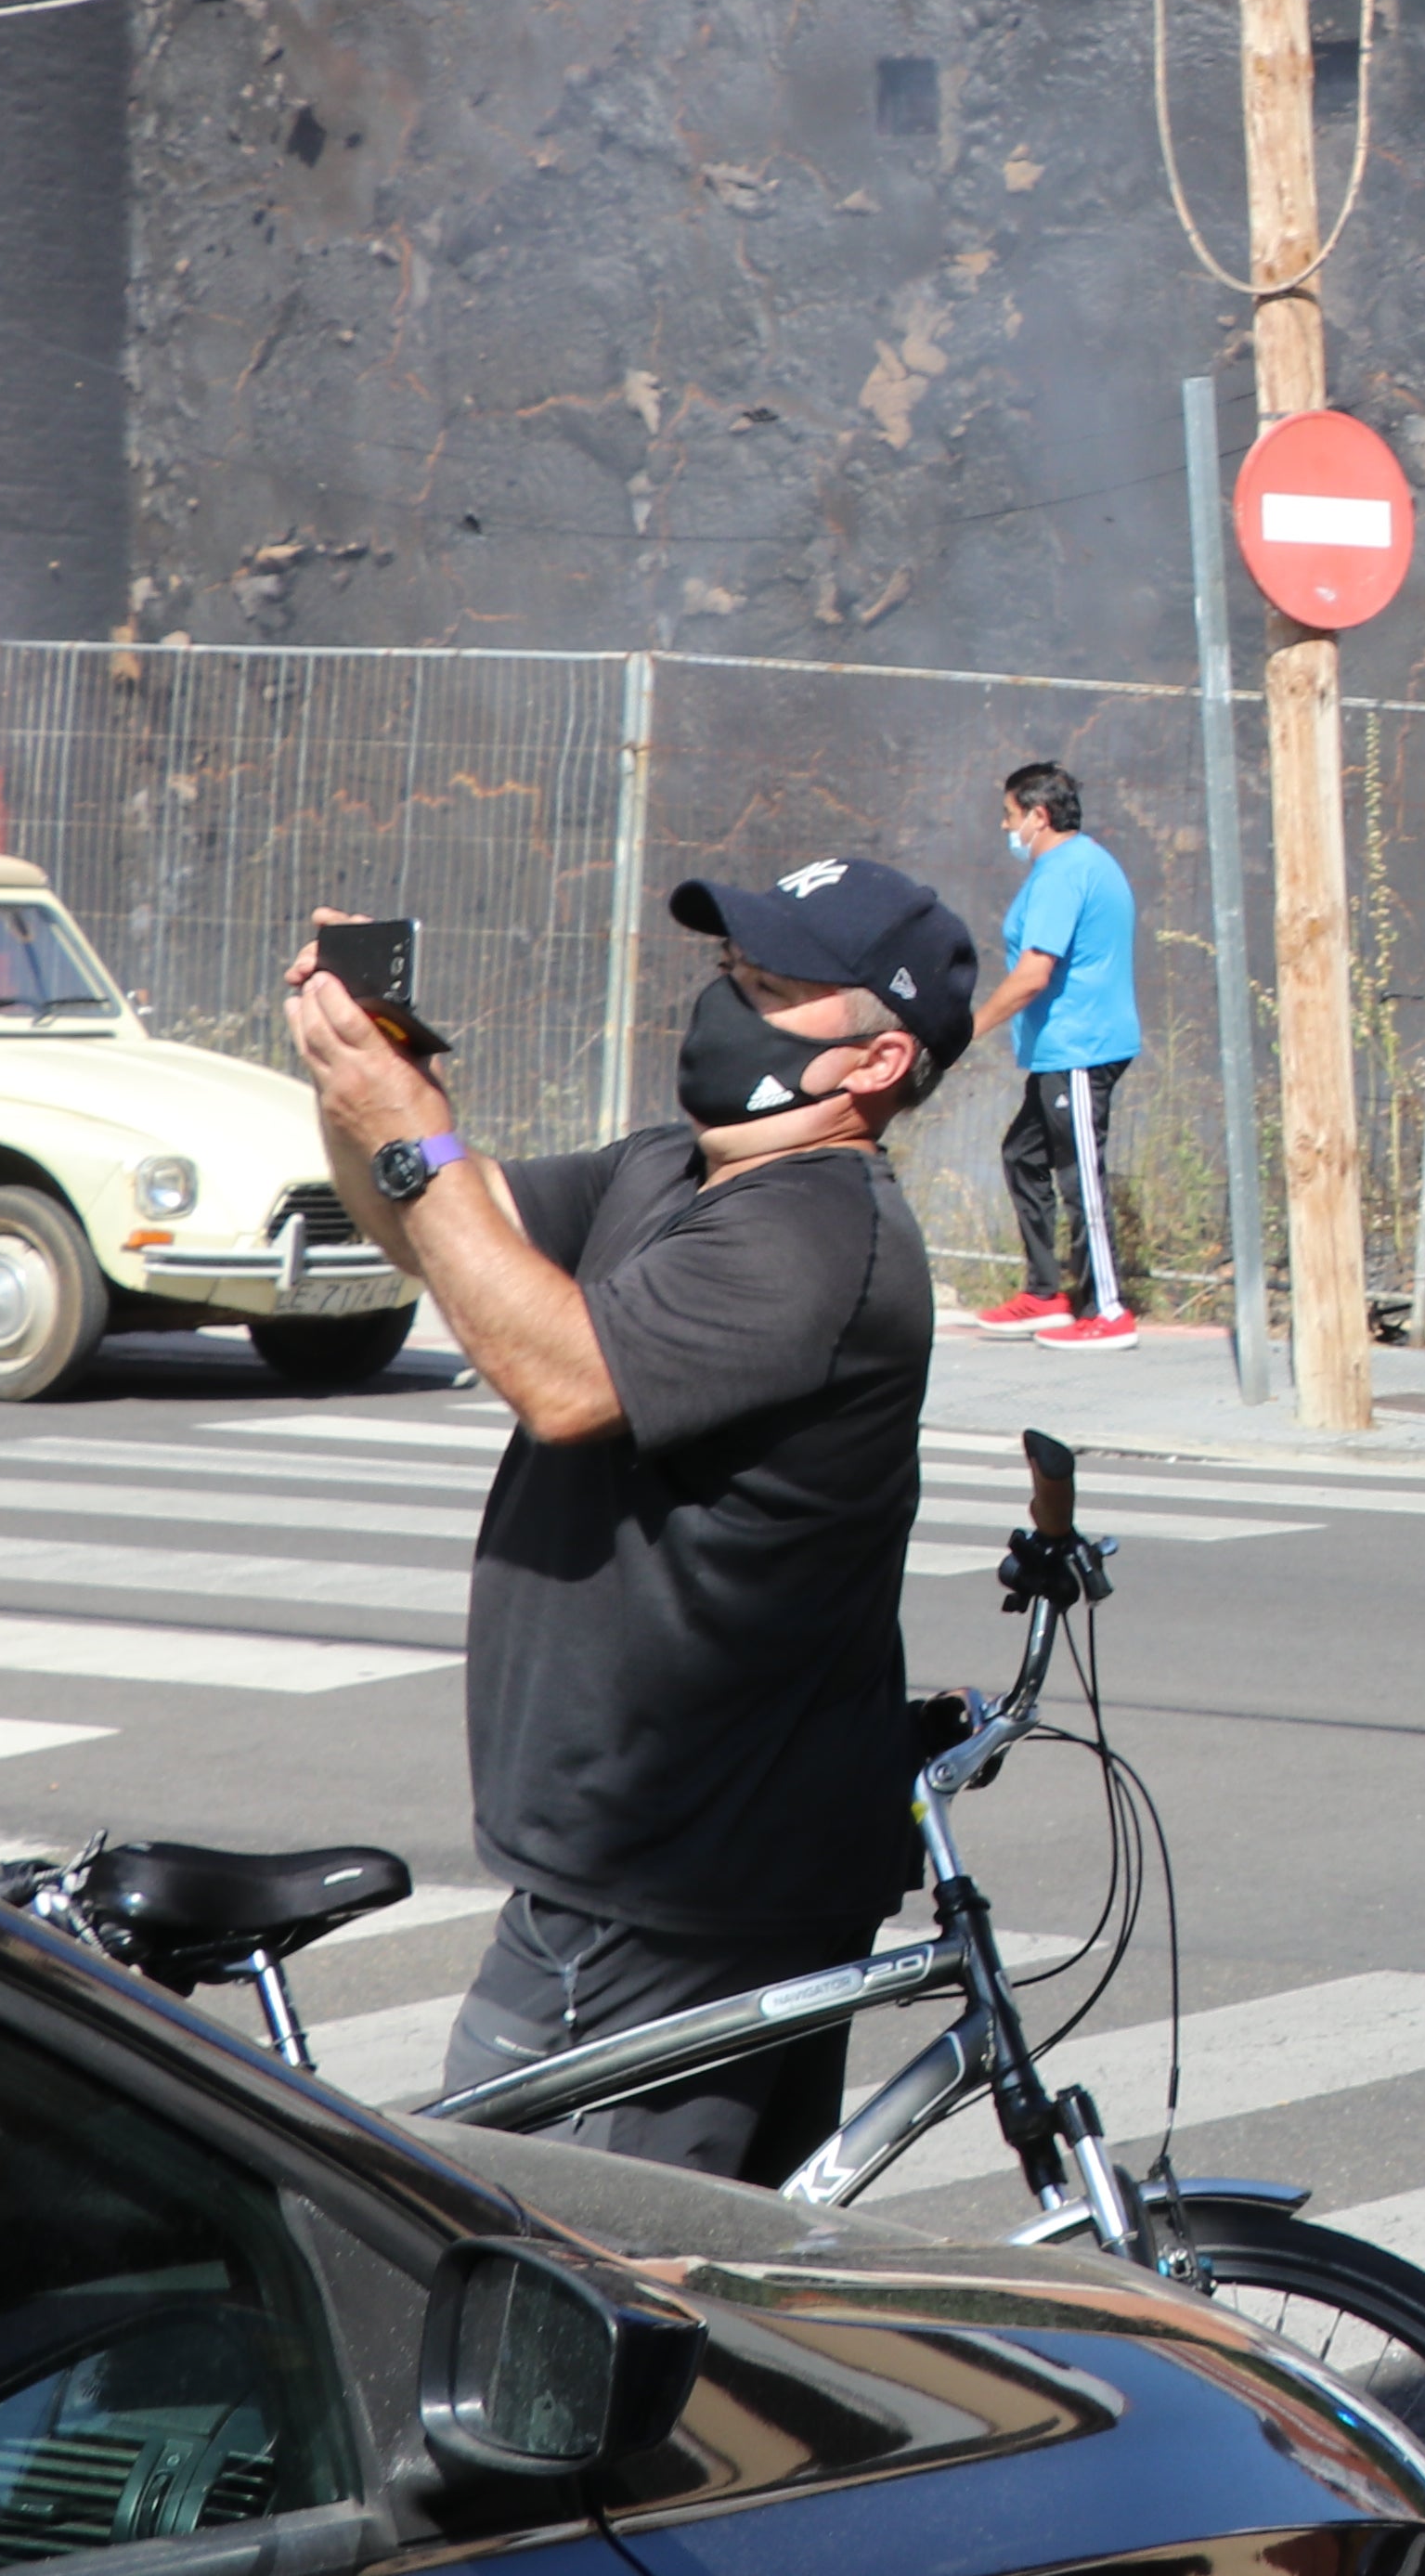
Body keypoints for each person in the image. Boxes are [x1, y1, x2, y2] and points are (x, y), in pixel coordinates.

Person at [286, 851, 978, 2182]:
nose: (726, 1004)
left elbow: (559, 1378)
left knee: (532, 2268)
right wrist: (358, 1080)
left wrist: (407, 1118)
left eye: (771, 989)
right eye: (728, 973)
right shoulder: (676, 1168)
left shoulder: (813, 1235)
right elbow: (439, 1222)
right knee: (716, 2287)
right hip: (672, 1863)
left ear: (876, 1063)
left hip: (671, 1882)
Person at [970, 763, 1143, 1348]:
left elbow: (1033, 974)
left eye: (1010, 815)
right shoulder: (1079, 862)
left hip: (1080, 1046)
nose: (1006, 826)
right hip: (1059, 1050)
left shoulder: (1065, 873)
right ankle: (1046, 1295)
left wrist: (968, 1029)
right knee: (1023, 1155)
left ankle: (1110, 1309)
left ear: (1038, 817)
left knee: (1078, 1176)